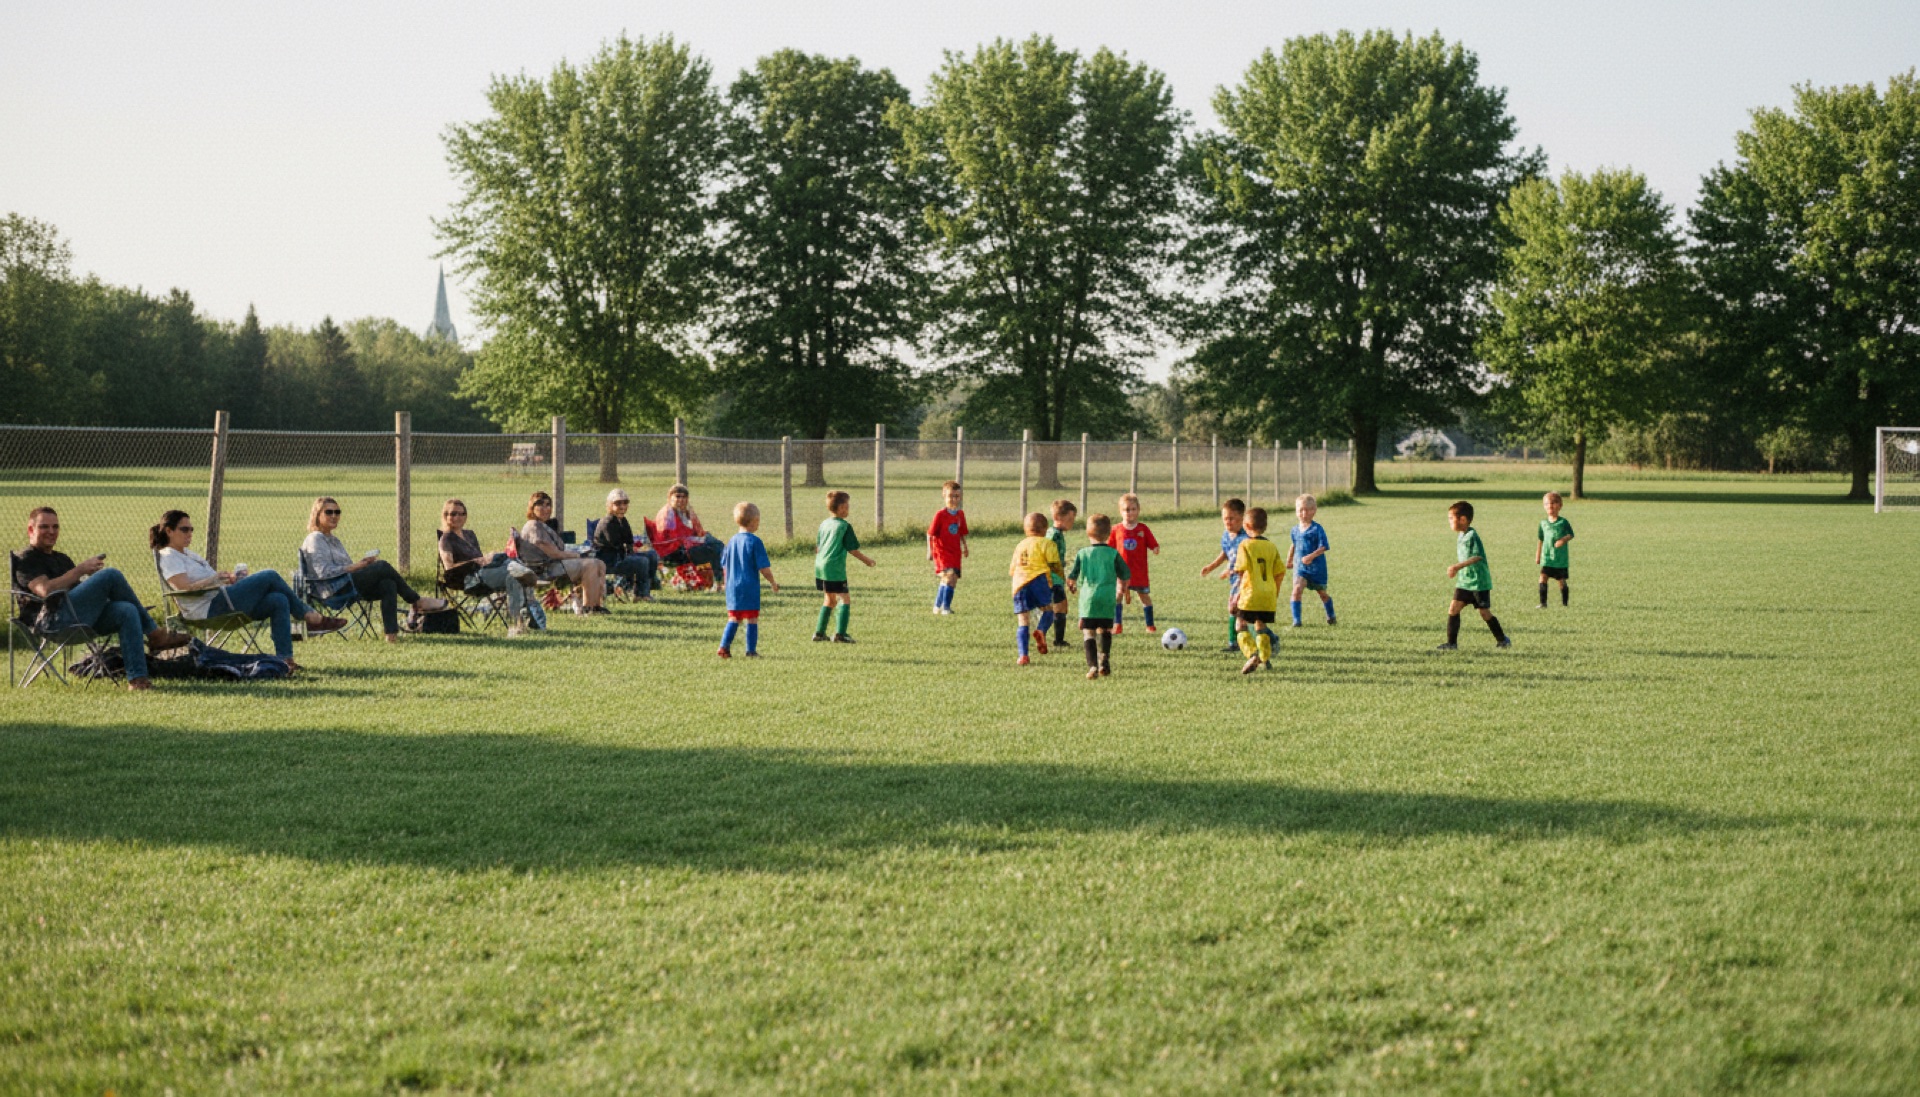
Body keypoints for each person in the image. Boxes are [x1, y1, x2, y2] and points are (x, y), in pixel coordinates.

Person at [14, 506, 189, 690]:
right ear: (31, 529)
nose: (51, 531)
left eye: (55, 527)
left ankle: (138, 681)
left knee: (126, 610)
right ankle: (155, 634)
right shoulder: (26, 559)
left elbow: (76, 590)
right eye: (44, 527)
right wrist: (80, 570)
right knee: (110, 575)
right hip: (51, 622)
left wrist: (96, 591)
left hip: (76, 618)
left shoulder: (62, 559)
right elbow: (45, 590)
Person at [153, 509, 345, 667]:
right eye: (184, 529)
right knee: (270, 575)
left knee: (279, 600)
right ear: (169, 531)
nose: (189, 534)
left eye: (191, 529)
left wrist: (227, 579)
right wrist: (214, 579)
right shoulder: (169, 555)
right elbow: (183, 587)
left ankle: (285, 660)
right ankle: (311, 617)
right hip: (208, 609)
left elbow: (208, 581)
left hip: (222, 599)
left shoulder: (188, 553)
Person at [300, 496, 448, 642]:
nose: (334, 516)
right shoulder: (315, 539)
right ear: (317, 515)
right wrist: (357, 566)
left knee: (388, 583)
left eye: (337, 512)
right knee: (382, 566)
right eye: (329, 512)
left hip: (346, 585)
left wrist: (363, 564)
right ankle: (416, 601)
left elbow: (347, 568)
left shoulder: (333, 539)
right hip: (332, 591)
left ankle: (391, 635)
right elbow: (324, 573)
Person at [437, 498, 537, 636]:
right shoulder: (446, 539)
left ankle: (518, 624)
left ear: (466, 516)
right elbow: (449, 567)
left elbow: (480, 559)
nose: (457, 517)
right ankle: (518, 621)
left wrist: (488, 559)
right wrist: (477, 561)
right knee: (515, 574)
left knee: (509, 569)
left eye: (461, 514)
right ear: (445, 516)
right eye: (453, 514)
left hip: (484, 572)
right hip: (470, 579)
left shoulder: (469, 535)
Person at [518, 491, 609, 614]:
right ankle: (589, 607)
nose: (545, 509)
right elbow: (555, 554)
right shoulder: (533, 527)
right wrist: (578, 555)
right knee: (590, 565)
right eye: (540, 505)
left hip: (554, 565)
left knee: (599, 563)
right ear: (532, 508)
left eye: (548, 505)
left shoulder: (542, 525)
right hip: (542, 570)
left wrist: (578, 554)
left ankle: (597, 605)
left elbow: (559, 551)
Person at [1438, 500, 1510, 651]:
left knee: (1484, 613)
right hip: (1465, 582)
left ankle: (1502, 640)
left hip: (1478, 583)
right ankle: (1451, 644)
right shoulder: (1461, 535)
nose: (1449, 522)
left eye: (1451, 518)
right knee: (1453, 609)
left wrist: (1457, 566)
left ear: (1463, 519)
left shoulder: (1472, 536)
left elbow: (1477, 557)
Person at [1066, 513, 1129, 679]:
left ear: (1088, 533)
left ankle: (1093, 666)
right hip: (1108, 597)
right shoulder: (1113, 554)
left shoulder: (1083, 553)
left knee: (1089, 633)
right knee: (1106, 629)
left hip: (1088, 598)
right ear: (1109, 534)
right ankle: (1105, 659)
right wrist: (1124, 589)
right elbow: (1125, 573)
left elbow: (1072, 575)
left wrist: (1071, 584)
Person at [717, 502, 778, 658]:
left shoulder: (731, 542)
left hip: (732, 588)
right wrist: (772, 582)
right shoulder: (754, 542)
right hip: (748, 586)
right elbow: (763, 567)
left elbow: (724, 565)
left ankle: (724, 647)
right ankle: (750, 650)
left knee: (733, 618)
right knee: (751, 618)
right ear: (755, 521)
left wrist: (725, 583)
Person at [813, 490, 875, 643]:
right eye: (847, 506)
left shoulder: (824, 524)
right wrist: (867, 560)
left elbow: (818, 547)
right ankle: (840, 634)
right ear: (841, 508)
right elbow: (852, 549)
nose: (848, 509)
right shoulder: (844, 526)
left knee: (829, 600)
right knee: (845, 599)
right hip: (834, 568)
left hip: (820, 566)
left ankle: (819, 633)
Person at [1233, 506, 1286, 674]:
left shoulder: (1245, 545)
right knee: (1260, 625)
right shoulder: (1271, 546)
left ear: (1246, 526)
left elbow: (1241, 570)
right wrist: (1274, 592)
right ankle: (1264, 658)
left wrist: (1238, 593)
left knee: (1240, 624)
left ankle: (1252, 654)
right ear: (1265, 527)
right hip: (1268, 594)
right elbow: (1279, 572)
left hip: (1250, 593)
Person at [1007, 512, 1062, 666]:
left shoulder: (1020, 545)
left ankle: (1023, 655)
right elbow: (1054, 565)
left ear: (1026, 530)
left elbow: (1012, 570)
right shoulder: (1047, 543)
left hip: (1019, 583)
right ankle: (1041, 631)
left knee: (1023, 621)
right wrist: (1061, 578)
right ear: (1045, 529)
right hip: (1038, 580)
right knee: (1048, 611)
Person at [1199, 498, 1251, 653]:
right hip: (1235, 581)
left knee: (1239, 610)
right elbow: (1226, 553)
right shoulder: (1227, 535)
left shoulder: (1246, 539)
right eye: (1225, 519)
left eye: (1231, 519)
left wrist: (1232, 570)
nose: (1227, 522)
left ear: (1242, 518)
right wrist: (1212, 566)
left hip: (1246, 581)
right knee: (1234, 611)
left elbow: (1247, 562)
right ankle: (1235, 642)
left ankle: (1243, 643)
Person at [592, 488, 659, 602]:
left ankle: (646, 589)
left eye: (625, 503)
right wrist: (632, 552)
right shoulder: (607, 523)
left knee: (652, 555)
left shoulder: (622, 520)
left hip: (620, 555)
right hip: (609, 560)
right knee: (642, 562)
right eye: (618, 503)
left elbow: (629, 541)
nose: (622, 506)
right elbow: (616, 544)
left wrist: (633, 549)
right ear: (609, 505)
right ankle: (640, 594)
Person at [1107, 493, 1160, 635]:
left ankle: (1150, 625)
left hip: (1139, 572)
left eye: (1133, 509)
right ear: (1120, 511)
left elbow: (1153, 544)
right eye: (1126, 510)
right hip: (1121, 572)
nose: (1130, 513)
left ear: (1138, 510)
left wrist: (1155, 548)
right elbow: (1109, 548)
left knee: (1144, 597)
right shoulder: (1116, 530)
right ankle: (1117, 624)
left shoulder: (1143, 529)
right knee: (1118, 595)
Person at [654, 485, 725, 585]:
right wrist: (698, 540)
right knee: (715, 548)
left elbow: (698, 531)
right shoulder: (667, 514)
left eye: (684, 497)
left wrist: (702, 537)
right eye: (678, 496)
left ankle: (721, 579)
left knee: (716, 544)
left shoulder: (685, 512)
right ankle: (720, 581)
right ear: (670, 498)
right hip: (674, 553)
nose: (681, 500)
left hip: (686, 547)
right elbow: (673, 540)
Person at [1285, 494, 1336, 627]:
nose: (1303, 513)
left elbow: (1324, 546)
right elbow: (1294, 544)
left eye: (1307, 510)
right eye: (1300, 510)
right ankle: (1297, 621)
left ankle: (1331, 614)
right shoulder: (1294, 530)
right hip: (1300, 568)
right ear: (1296, 511)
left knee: (1322, 594)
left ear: (1314, 510)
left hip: (1316, 569)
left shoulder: (1317, 529)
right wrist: (1289, 559)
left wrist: (1310, 556)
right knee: (1296, 590)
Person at [927, 480, 969, 615]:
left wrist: (965, 547)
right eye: (951, 496)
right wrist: (930, 551)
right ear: (944, 496)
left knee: (951, 579)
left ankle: (937, 605)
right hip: (942, 552)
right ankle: (946, 608)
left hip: (955, 552)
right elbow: (930, 534)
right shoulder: (940, 515)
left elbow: (961, 532)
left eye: (956, 496)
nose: (953, 499)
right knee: (949, 577)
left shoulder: (960, 515)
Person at [1045, 499, 1077, 649]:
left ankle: (1056, 639)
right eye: (1070, 519)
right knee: (1059, 607)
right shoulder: (1054, 535)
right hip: (1052, 579)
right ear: (1058, 518)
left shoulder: (1057, 533)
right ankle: (1055, 639)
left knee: (1059, 607)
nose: (1072, 522)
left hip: (1056, 578)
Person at [1536, 491, 1574, 608]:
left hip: (1559, 559)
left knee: (1561, 580)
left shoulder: (1563, 522)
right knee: (1542, 577)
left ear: (1560, 506)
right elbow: (1540, 539)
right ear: (1544, 506)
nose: (1550, 506)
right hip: (1547, 557)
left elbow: (1571, 534)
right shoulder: (1543, 523)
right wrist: (1538, 556)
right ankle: (1543, 603)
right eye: (1547, 504)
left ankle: (1565, 603)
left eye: (1554, 503)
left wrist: (1563, 540)